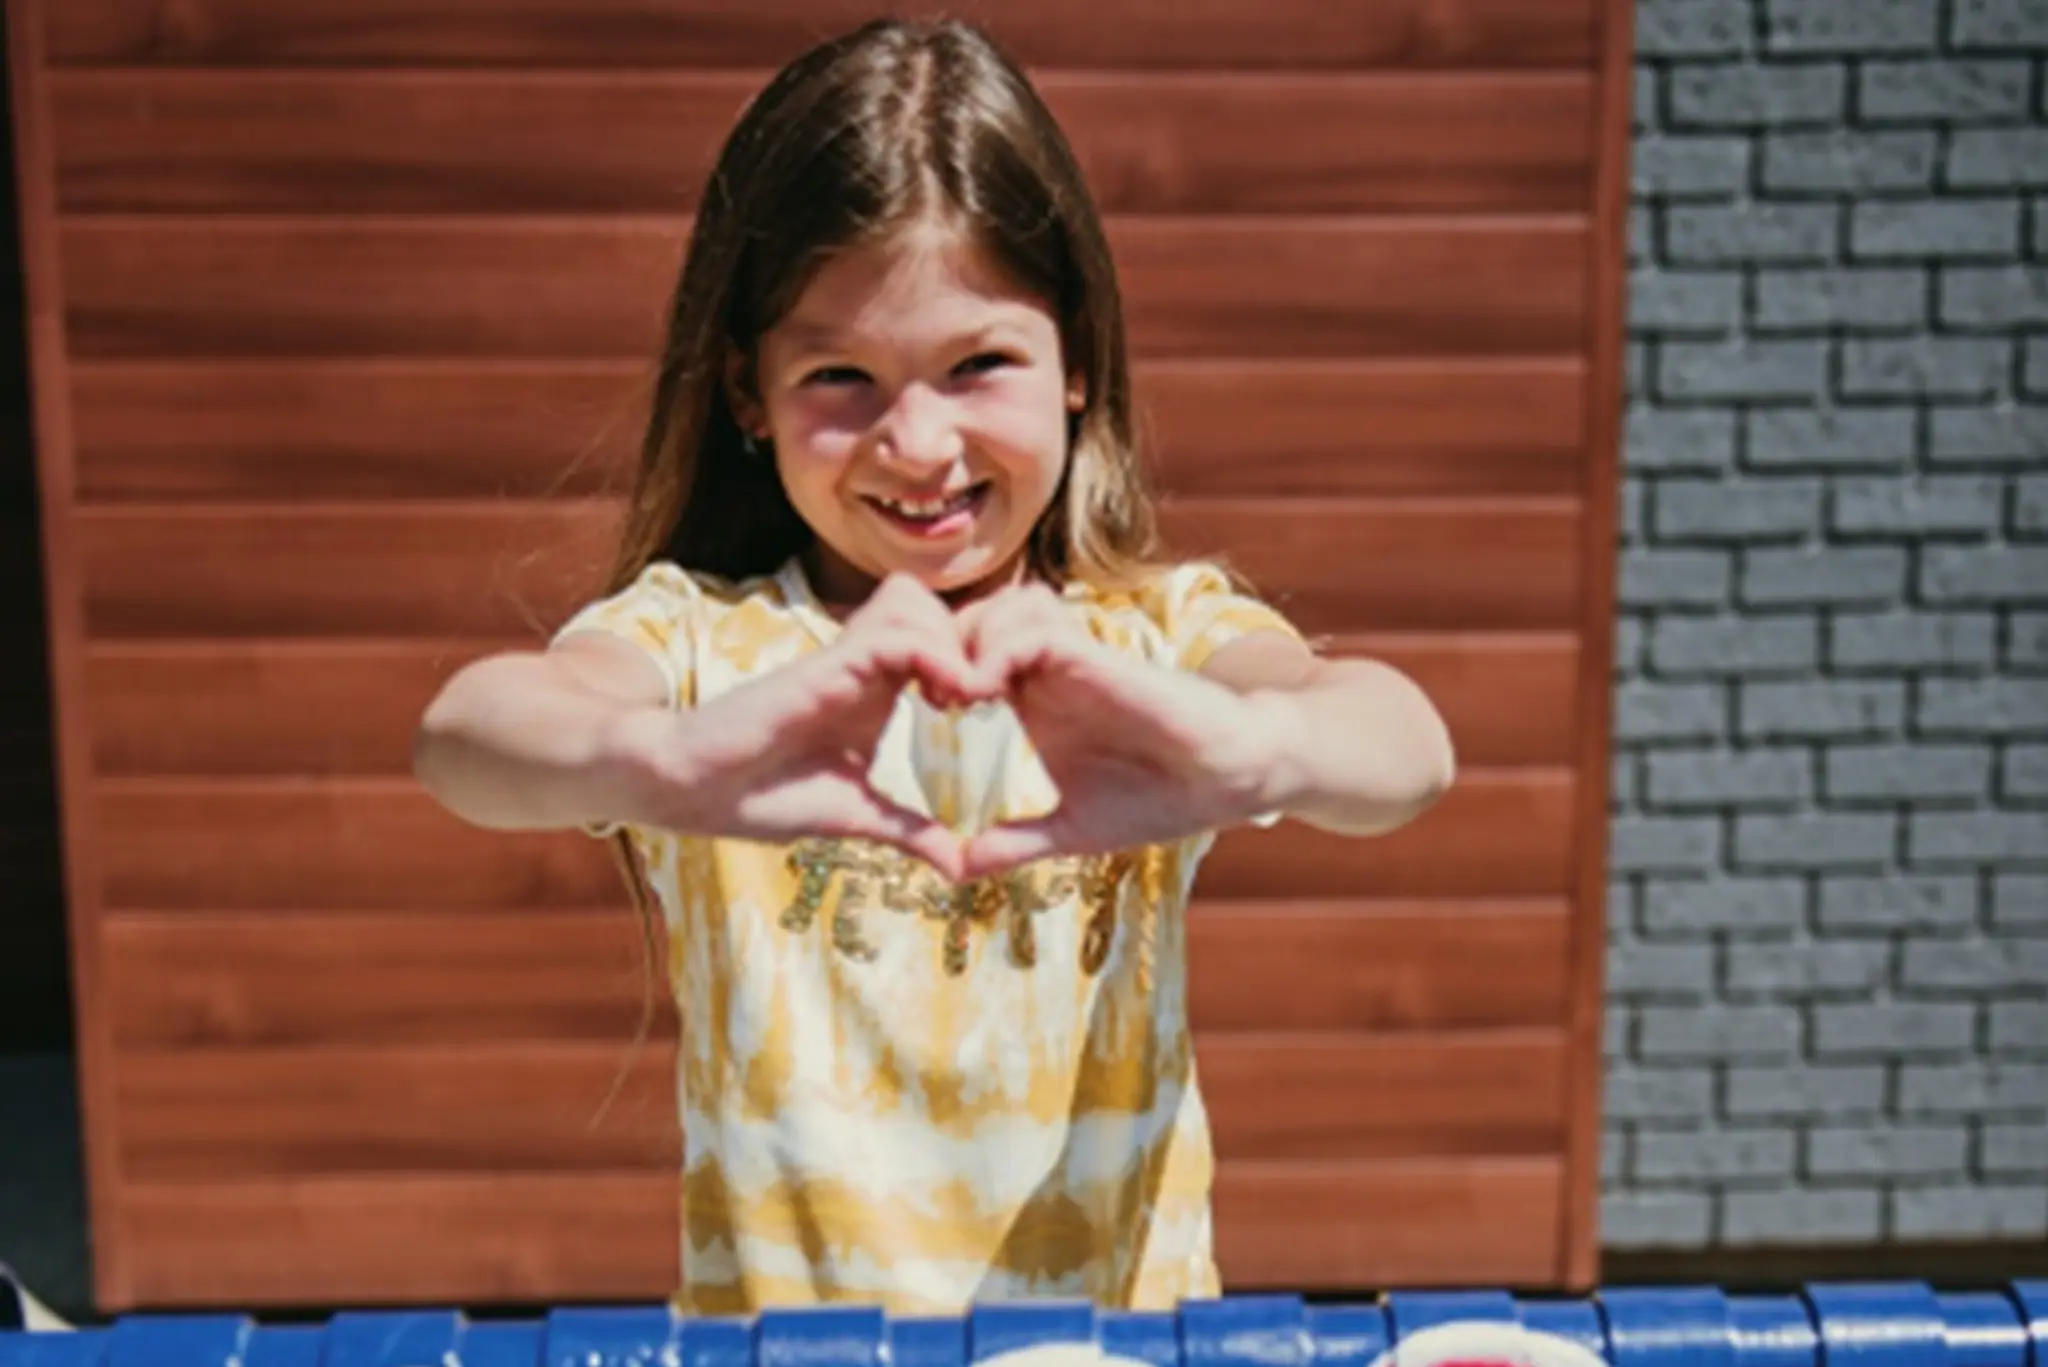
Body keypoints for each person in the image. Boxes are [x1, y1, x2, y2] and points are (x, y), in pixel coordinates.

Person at [413, 17, 1454, 1317]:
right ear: (748, 392)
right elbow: (471, 733)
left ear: (1077, 361)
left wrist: (1253, 751)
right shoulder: (702, 643)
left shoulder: (1148, 642)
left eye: (978, 364)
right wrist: (663, 761)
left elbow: (1404, 744)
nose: (916, 442)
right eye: (841, 374)